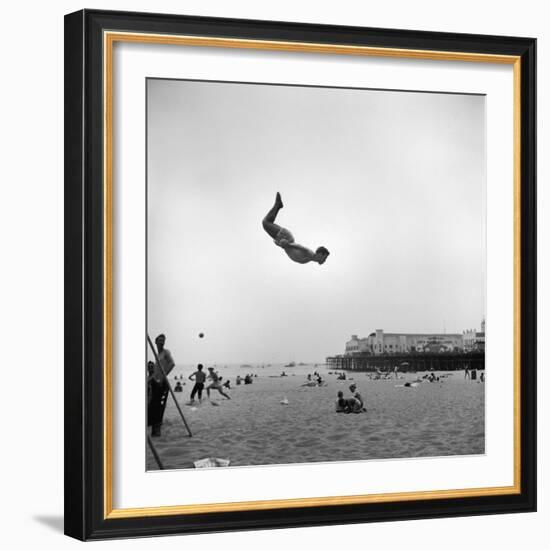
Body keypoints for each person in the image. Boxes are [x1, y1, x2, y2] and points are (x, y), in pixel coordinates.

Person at [262, 192, 330, 265]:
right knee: (266, 223)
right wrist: (288, 244)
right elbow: (300, 247)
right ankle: (278, 205)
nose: (324, 261)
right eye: (325, 258)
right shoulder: (310, 253)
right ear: (320, 254)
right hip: (286, 237)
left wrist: (281, 245)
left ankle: (278, 206)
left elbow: (292, 252)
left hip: (284, 240)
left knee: (267, 223)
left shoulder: (307, 259)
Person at [148, 334, 176, 437]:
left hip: (163, 383)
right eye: (159, 340)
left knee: (159, 406)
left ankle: (157, 430)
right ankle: (154, 428)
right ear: (155, 342)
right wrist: (150, 380)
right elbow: (156, 372)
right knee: (153, 405)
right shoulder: (157, 355)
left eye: (163, 340)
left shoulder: (166, 352)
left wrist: (163, 377)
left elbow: (172, 364)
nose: (161, 342)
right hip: (156, 382)